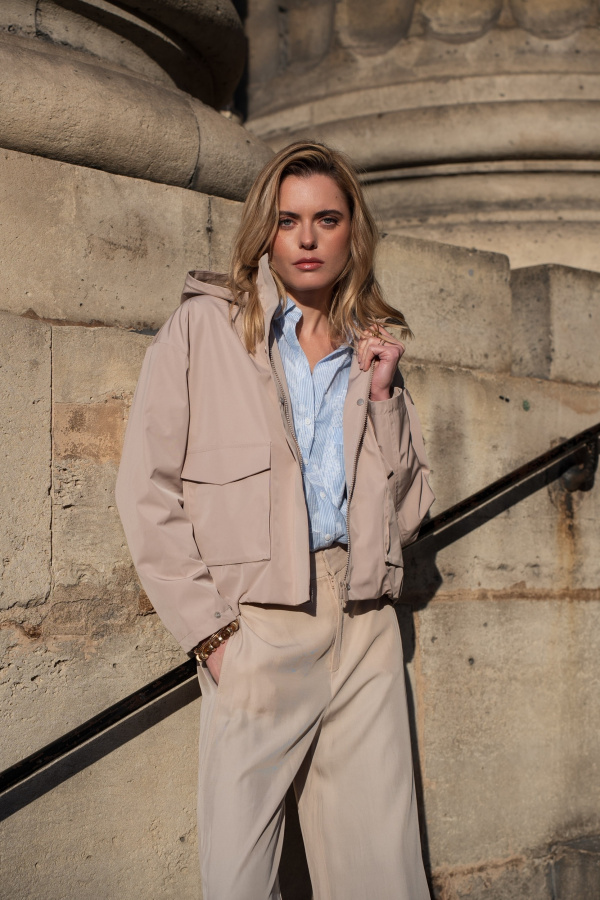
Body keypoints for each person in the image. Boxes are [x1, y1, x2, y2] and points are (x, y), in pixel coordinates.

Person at [116, 140, 434, 900]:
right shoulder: (205, 329)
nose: (308, 238)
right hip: (259, 625)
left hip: (364, 626)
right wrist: (214, 637)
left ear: (353, 231)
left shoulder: (370, 350)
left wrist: (384, 400)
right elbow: (146, 489)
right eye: (289, 220)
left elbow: (410, 513)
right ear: (266, 230)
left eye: (327, 219)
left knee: (381, 876)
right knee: (239, 878)